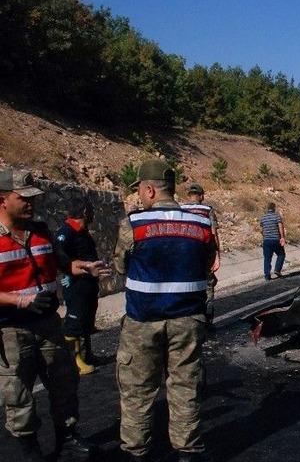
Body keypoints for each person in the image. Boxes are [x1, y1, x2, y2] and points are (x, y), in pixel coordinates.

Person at [0, 169, 107, 461]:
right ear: (2, 200)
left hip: (48, 324)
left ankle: (68, 440)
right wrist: (19, 301)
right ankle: (30, 451)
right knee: (18, 395)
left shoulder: (41, 231)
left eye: (33, 198)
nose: (31, 204)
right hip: (11, 330)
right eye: (23, 198)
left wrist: (83, 267)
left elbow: (63, 264)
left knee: (64, 383)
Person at [113, 160, 216, 462]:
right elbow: (206, 264)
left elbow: (120, 266)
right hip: (187, 320)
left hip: (143, 322)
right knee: (186, 389)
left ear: (148, 189)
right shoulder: (201, 224)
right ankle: (187, 452)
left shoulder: (133, 224)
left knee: (138, 392)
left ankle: (137, 452)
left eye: (139, 192)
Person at [56, 197, 104, 375]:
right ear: (85, 212)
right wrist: (82, 266)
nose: (93, 214)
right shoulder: (66, 231)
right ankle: (74, 361)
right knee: (74, 323)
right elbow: (59, 256)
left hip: (88, 284)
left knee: (86, 320)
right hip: (76, 285)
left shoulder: (83, 232)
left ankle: (86, 354)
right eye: (91, 210)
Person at [181, 183, 220, 327]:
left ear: (188, 195)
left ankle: (188, 318)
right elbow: (214, 234)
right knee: (208, 286)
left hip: (185, 255)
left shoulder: (181, 209)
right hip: (204, 254)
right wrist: (217, 255)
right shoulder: (207, 210)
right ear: (202, 196)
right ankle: (207, 319)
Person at [260, 202, 286, 280]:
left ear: (267, 208)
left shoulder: (263, 218)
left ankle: (267, 275)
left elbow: (262, 230)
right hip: (275, 239)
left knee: (267, 258)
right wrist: (282, 237)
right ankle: (277, 270)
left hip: (266, 240)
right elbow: (280, 227)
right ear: (274, 208)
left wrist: (264, 237)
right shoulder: (277, 217)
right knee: (281, 254)